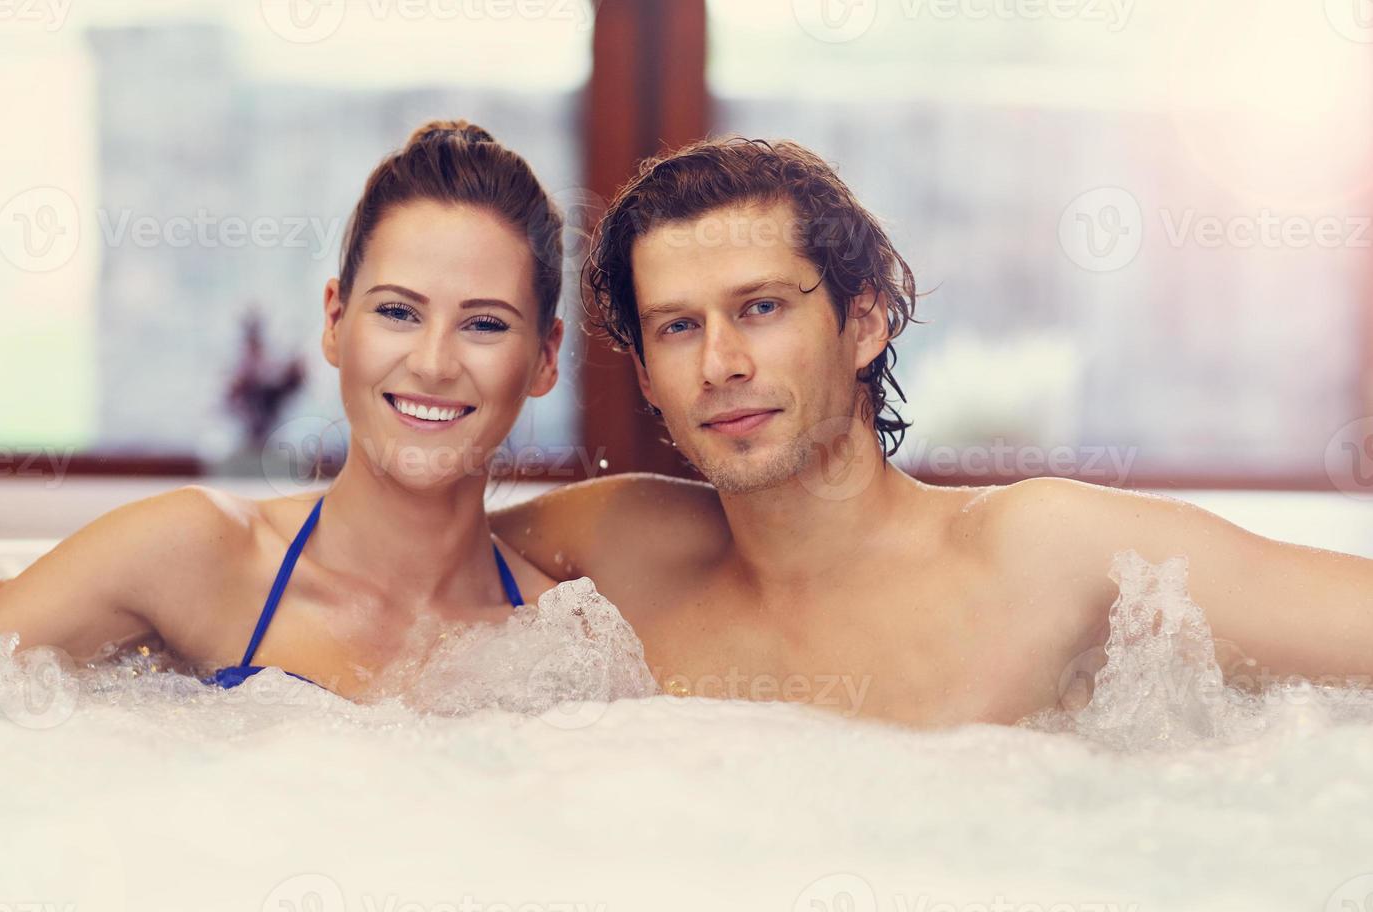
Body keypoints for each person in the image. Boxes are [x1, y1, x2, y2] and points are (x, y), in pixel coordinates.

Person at [491, 136, 1373, 727]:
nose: (720, 364)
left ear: (865, 322)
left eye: (760, 308)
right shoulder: (617, 547)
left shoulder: (1041, 553)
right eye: (678, 327)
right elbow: (379, 557)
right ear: (646, 372)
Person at [0, 120, 564, 701]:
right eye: (398, 311)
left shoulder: (561, 647)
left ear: (545, 358)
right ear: (336, 321)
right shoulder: (199, 553)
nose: (432, 362)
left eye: (484, 323)